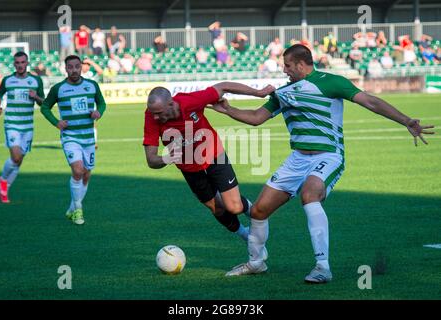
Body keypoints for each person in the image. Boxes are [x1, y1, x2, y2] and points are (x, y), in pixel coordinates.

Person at [209, 44, 434, 282]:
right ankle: (256, 263)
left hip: (328, 156)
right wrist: (229, 110)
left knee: (310, 194)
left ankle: (322, 267)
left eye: (287, 65)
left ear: (300, 64)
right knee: (258, 210)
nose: (284, 70)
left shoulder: (331, 82)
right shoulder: (283, 93)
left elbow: (370, 102)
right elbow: (256, 118)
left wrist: (406, 120)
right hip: (296, 159)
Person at [143, 83, 274, 257]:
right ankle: (246, 235)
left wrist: (258, 93)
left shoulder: (190, 101)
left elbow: (224, 86)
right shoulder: (151, 117)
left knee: (233, 206)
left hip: (213, 154)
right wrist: (166, 158)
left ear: (171, 103)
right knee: (217, 209)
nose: (156, 118)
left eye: (159, 113)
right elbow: (151, 159)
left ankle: (255, 214)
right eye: (153, 113)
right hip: (189, 167)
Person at [41, 55, 106, 225]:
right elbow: (45, 107)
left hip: (88, 138)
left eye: (77, 66)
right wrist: (56, 122)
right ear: (65, 68)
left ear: (81, 67)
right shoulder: (58, 89)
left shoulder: (91, 85)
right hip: (70, 137)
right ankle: (78, 210)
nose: (74, 70)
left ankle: (72, 208)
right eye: (70, 67)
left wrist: (98, 112)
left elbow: (102, 103)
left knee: (86, 174)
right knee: (78, 171)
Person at [0, 52, 44, 203]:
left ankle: (4, 189)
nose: (20, 65)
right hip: (12, 124)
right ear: (14, 64)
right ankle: (3, 179)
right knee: (15, 157)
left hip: (27, 126)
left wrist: (36, 97)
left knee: (18, 161)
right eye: (17, 62)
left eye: (23, 62)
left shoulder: (35, 81)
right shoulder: (8, 80)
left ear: (27, 63)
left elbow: (43, 102)